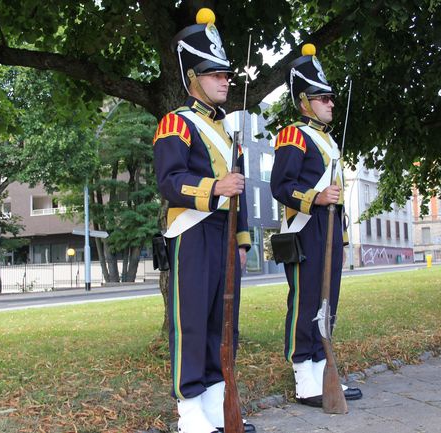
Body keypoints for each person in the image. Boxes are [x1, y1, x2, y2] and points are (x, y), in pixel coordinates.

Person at [153, 8, 255, 433]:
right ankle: (190, 413)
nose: (225, 80)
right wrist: (214, 187)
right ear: (193, 78)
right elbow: (170, 181)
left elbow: (241, 192)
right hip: (192, 233)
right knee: (192, 322)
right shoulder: (176, 123)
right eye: (215, 74)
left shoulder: (228, 132)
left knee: (221, 324)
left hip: (225, 236)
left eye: (226, 74)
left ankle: (215, 407)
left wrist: (245, 242)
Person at [270, 44, 362, 407]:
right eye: (323, 98)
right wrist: (316, 197)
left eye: (331, 99)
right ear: (305, 102)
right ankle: (303, 376)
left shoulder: (328, 140)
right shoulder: (294, 135)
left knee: (329, 304)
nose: (330, 104)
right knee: (306, 301)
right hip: (305, 229)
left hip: (329, 233)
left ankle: (325, 370)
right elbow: (281, 186)